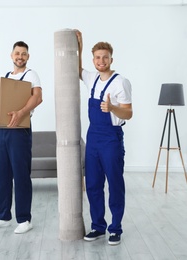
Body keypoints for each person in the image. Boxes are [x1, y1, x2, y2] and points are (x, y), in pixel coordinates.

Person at [76, 30, 133, 245]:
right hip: (93, 138)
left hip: (111, 138)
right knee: (92, 184)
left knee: (115, 184)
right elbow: (76, 68)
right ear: (94, 60)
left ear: (111, 59)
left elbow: (129, 113)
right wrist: (79, 45)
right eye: (98, 57)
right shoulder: (90, 77)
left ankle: (115, 228)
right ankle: (98, 227)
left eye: (105, 57)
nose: (101, 61)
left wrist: (112, 107)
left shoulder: (121, 82)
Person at [0, 41, 43, 234]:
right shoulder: (6, 77)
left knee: (21, 175)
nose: (20, 56)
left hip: (21, 130)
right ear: (11, 55)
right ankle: (2, 216)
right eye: (17, 53)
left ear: (28, 57)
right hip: (3, 130)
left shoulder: (31, 75)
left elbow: (37, 97)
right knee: (2, 174)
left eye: (24, 54)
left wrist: (21, 112)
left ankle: (25, 219)